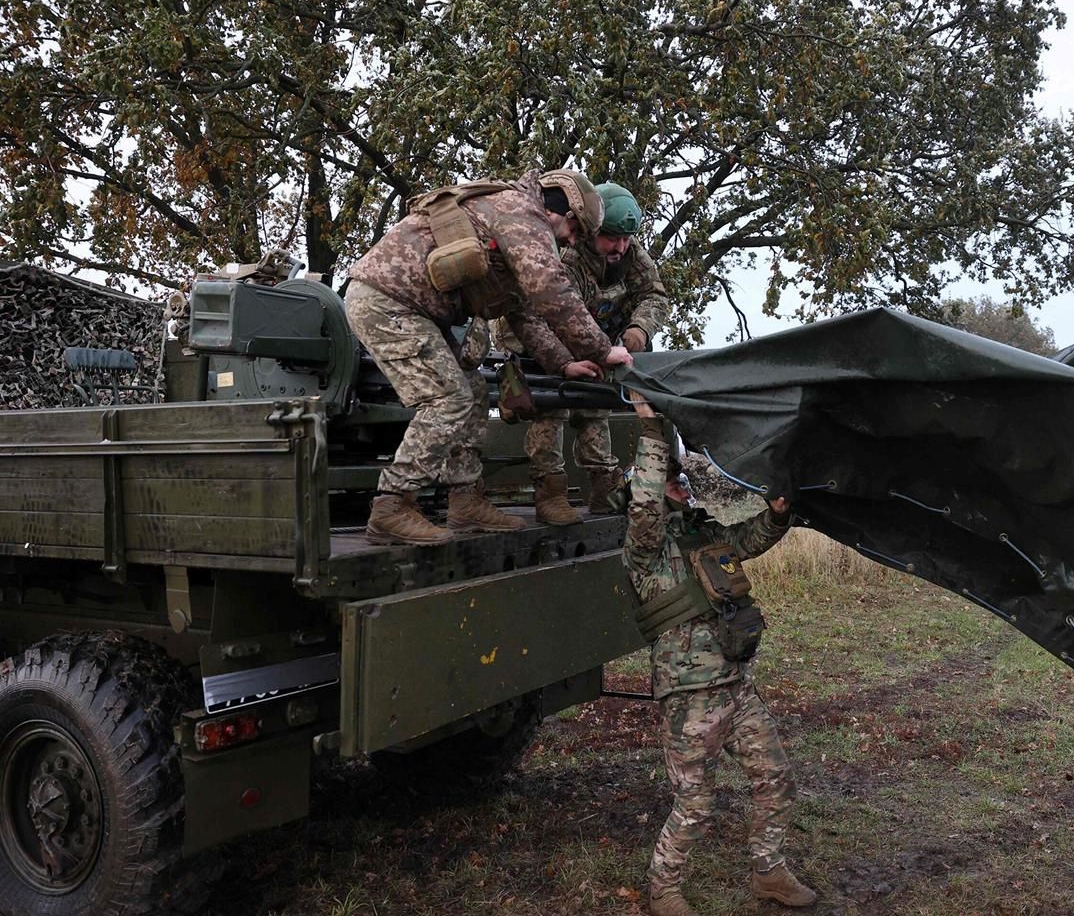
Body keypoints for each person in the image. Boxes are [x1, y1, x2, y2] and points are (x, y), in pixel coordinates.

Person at [344, 170, 633, 545]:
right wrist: (600, 349)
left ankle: (465, 501)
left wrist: (564, 363)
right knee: (448, 398)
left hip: (416, 310)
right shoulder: (519, 211)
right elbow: (550, 290)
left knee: (474, 389)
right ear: (563, 214)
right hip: (387, 303)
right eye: (575, 233)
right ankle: (392, 505)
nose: (570, 243)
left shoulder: (514, 222)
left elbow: (524, 312)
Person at [623, 392, 818, 916]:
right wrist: (649, 431)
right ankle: (663, 888)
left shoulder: (706, 538)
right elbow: (643, 501)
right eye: (672, 483)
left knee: (775, 778)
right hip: (689, 699)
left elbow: (748, 539)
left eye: (682, 480)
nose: (681, 487)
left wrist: (776, 517)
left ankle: (769, 873)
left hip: (735, 686)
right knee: (695, 804)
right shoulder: (646, 551)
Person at [507, 181, 670, 525]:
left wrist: (639, 330)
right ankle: (549, 489)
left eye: (627, 239)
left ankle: (602, 484)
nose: (621, 247)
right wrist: (577, 357)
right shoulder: (566, 255)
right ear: (593, 231)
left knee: (596, 405)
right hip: (541, 345)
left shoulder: (630, 253)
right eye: (613, 238)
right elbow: (552, 315)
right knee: (552, 406)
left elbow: (655, 295)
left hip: (594, 345)